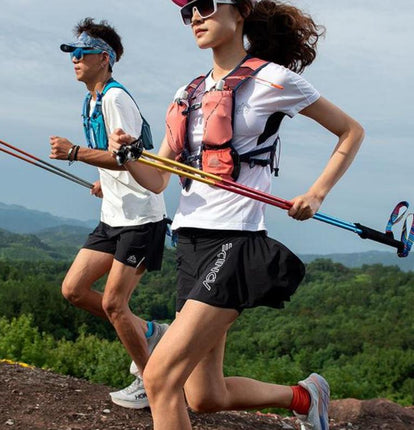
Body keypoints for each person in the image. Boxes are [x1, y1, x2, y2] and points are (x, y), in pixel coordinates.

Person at [109, 1, 364, 429]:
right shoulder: (186, 93)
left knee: (159, 378)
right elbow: (157, 179)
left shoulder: (273, 79)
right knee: (205, 394)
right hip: (189, 243)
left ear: (240, 11)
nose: (195, 16)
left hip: (236, 241)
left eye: (205, 5)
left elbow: (350, 131)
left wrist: (316, 194)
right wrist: (129, 154)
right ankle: (304, 395)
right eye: (187, 10)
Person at [49, 18, 169, 409]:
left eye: (81, 53)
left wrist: (75, 153)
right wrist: (105, 179)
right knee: (74, 290)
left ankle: (152, 383)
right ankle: (150, 331)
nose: (75, 60)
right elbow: (117, 160)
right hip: (114, 215)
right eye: (72, 54)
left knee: (115, 304)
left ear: (104, 57)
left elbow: (128, 156)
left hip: (141, 219)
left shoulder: (116, 98)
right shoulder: (92, 99)